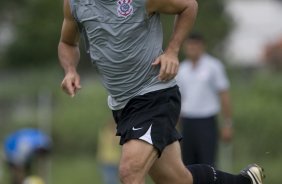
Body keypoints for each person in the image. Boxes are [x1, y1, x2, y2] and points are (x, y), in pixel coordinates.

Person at [58, 0, 264, 183]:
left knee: (130, 173)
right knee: (176, 179)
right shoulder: (74, 3)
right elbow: (67, 43)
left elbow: (188, 5)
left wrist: (173, 51)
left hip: (154, 94)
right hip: (123, 106)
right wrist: (70, 70)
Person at [177, 33, 233, 167]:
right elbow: (179, 99)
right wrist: (176, 125)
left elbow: (224, 95)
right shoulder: (182, 69)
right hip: (187, 121)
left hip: (206, 121)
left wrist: (227, 124)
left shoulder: (213, 66)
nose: (192, 48)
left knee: (207, 163)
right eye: (189, 45)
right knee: (187, 165)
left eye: (195, 45)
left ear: (202, 46)